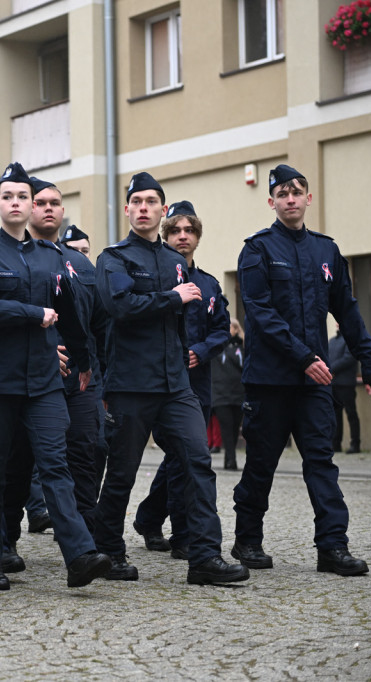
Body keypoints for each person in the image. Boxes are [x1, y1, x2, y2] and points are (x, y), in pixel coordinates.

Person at [93, 171, 248, 585]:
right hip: (130, 384)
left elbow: (183, 325)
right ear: (128, 210)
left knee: (198, 461)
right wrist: (171, 298)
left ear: (161, 209)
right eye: (137, 202)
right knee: (122, 472)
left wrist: (183, 357)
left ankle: (203, 558)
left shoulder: (176, 263)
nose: (144, 208)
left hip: (175, 385)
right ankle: (108, 550)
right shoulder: (113, 259)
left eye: (151, 202)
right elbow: (120, 306)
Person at [0, 162, 110, 592]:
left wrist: (83, 361)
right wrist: (30, 314)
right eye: (7, 196)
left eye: (22, 197)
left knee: (55, 465)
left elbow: (71, 316)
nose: (15, 203)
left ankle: (79, 555)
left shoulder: (53, 257)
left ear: (30, 205)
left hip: (44, 383)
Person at [233, 164, 371, 577]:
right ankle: (247, 540)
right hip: (270, 380)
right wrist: (305, 358)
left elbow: (347, 310)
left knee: (321, 461)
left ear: (308, 198)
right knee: (261, 463)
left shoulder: (326, 251)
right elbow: (260, 314)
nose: (291, 198)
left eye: (298, 191)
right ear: (272, 202)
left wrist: (369, 363)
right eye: (283, 193)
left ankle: (332, 547)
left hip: (314, 381)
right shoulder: (257, 250)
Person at [131, 200, 231, 560]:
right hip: (156, 382)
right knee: (180, 456)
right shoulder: (151, 279)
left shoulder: (207, 284)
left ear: (198, 236)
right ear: (165, 234)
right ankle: (181, 533)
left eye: (189, 231)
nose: (182, 237)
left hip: (196, 383)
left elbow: (222, 330)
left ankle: (152, 517)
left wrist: (201, 351)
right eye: (175, 230)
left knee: (188, 456)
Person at [25, 182, 106, 537]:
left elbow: (99, 324)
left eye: (54, 203)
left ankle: (87, 541)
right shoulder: (10, 258)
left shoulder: (80, 264)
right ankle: (3, 547)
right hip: (30, 381)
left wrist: (98, 374)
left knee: (89, 454)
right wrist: (43, 351)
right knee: (22, 464)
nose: (47, 208)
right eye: (39, 202)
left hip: (81, 380)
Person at [212, 321, 245, 470]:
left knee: (234, 427)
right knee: (225, 426)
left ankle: (228, 458)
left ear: (236, 329)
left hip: (238, 393)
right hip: (220, 393)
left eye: (231, 326)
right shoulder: (216, 346)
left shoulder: (242, 348)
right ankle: (231, 459)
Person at [328, 325, 361, 453]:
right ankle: (335, 444)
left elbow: (349, 359)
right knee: (335, 416)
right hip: (333, 383)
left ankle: (355, 444)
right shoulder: (332, 341)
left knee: (351, 414)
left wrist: (331, 369)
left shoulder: (351, 340)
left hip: (346, 383)